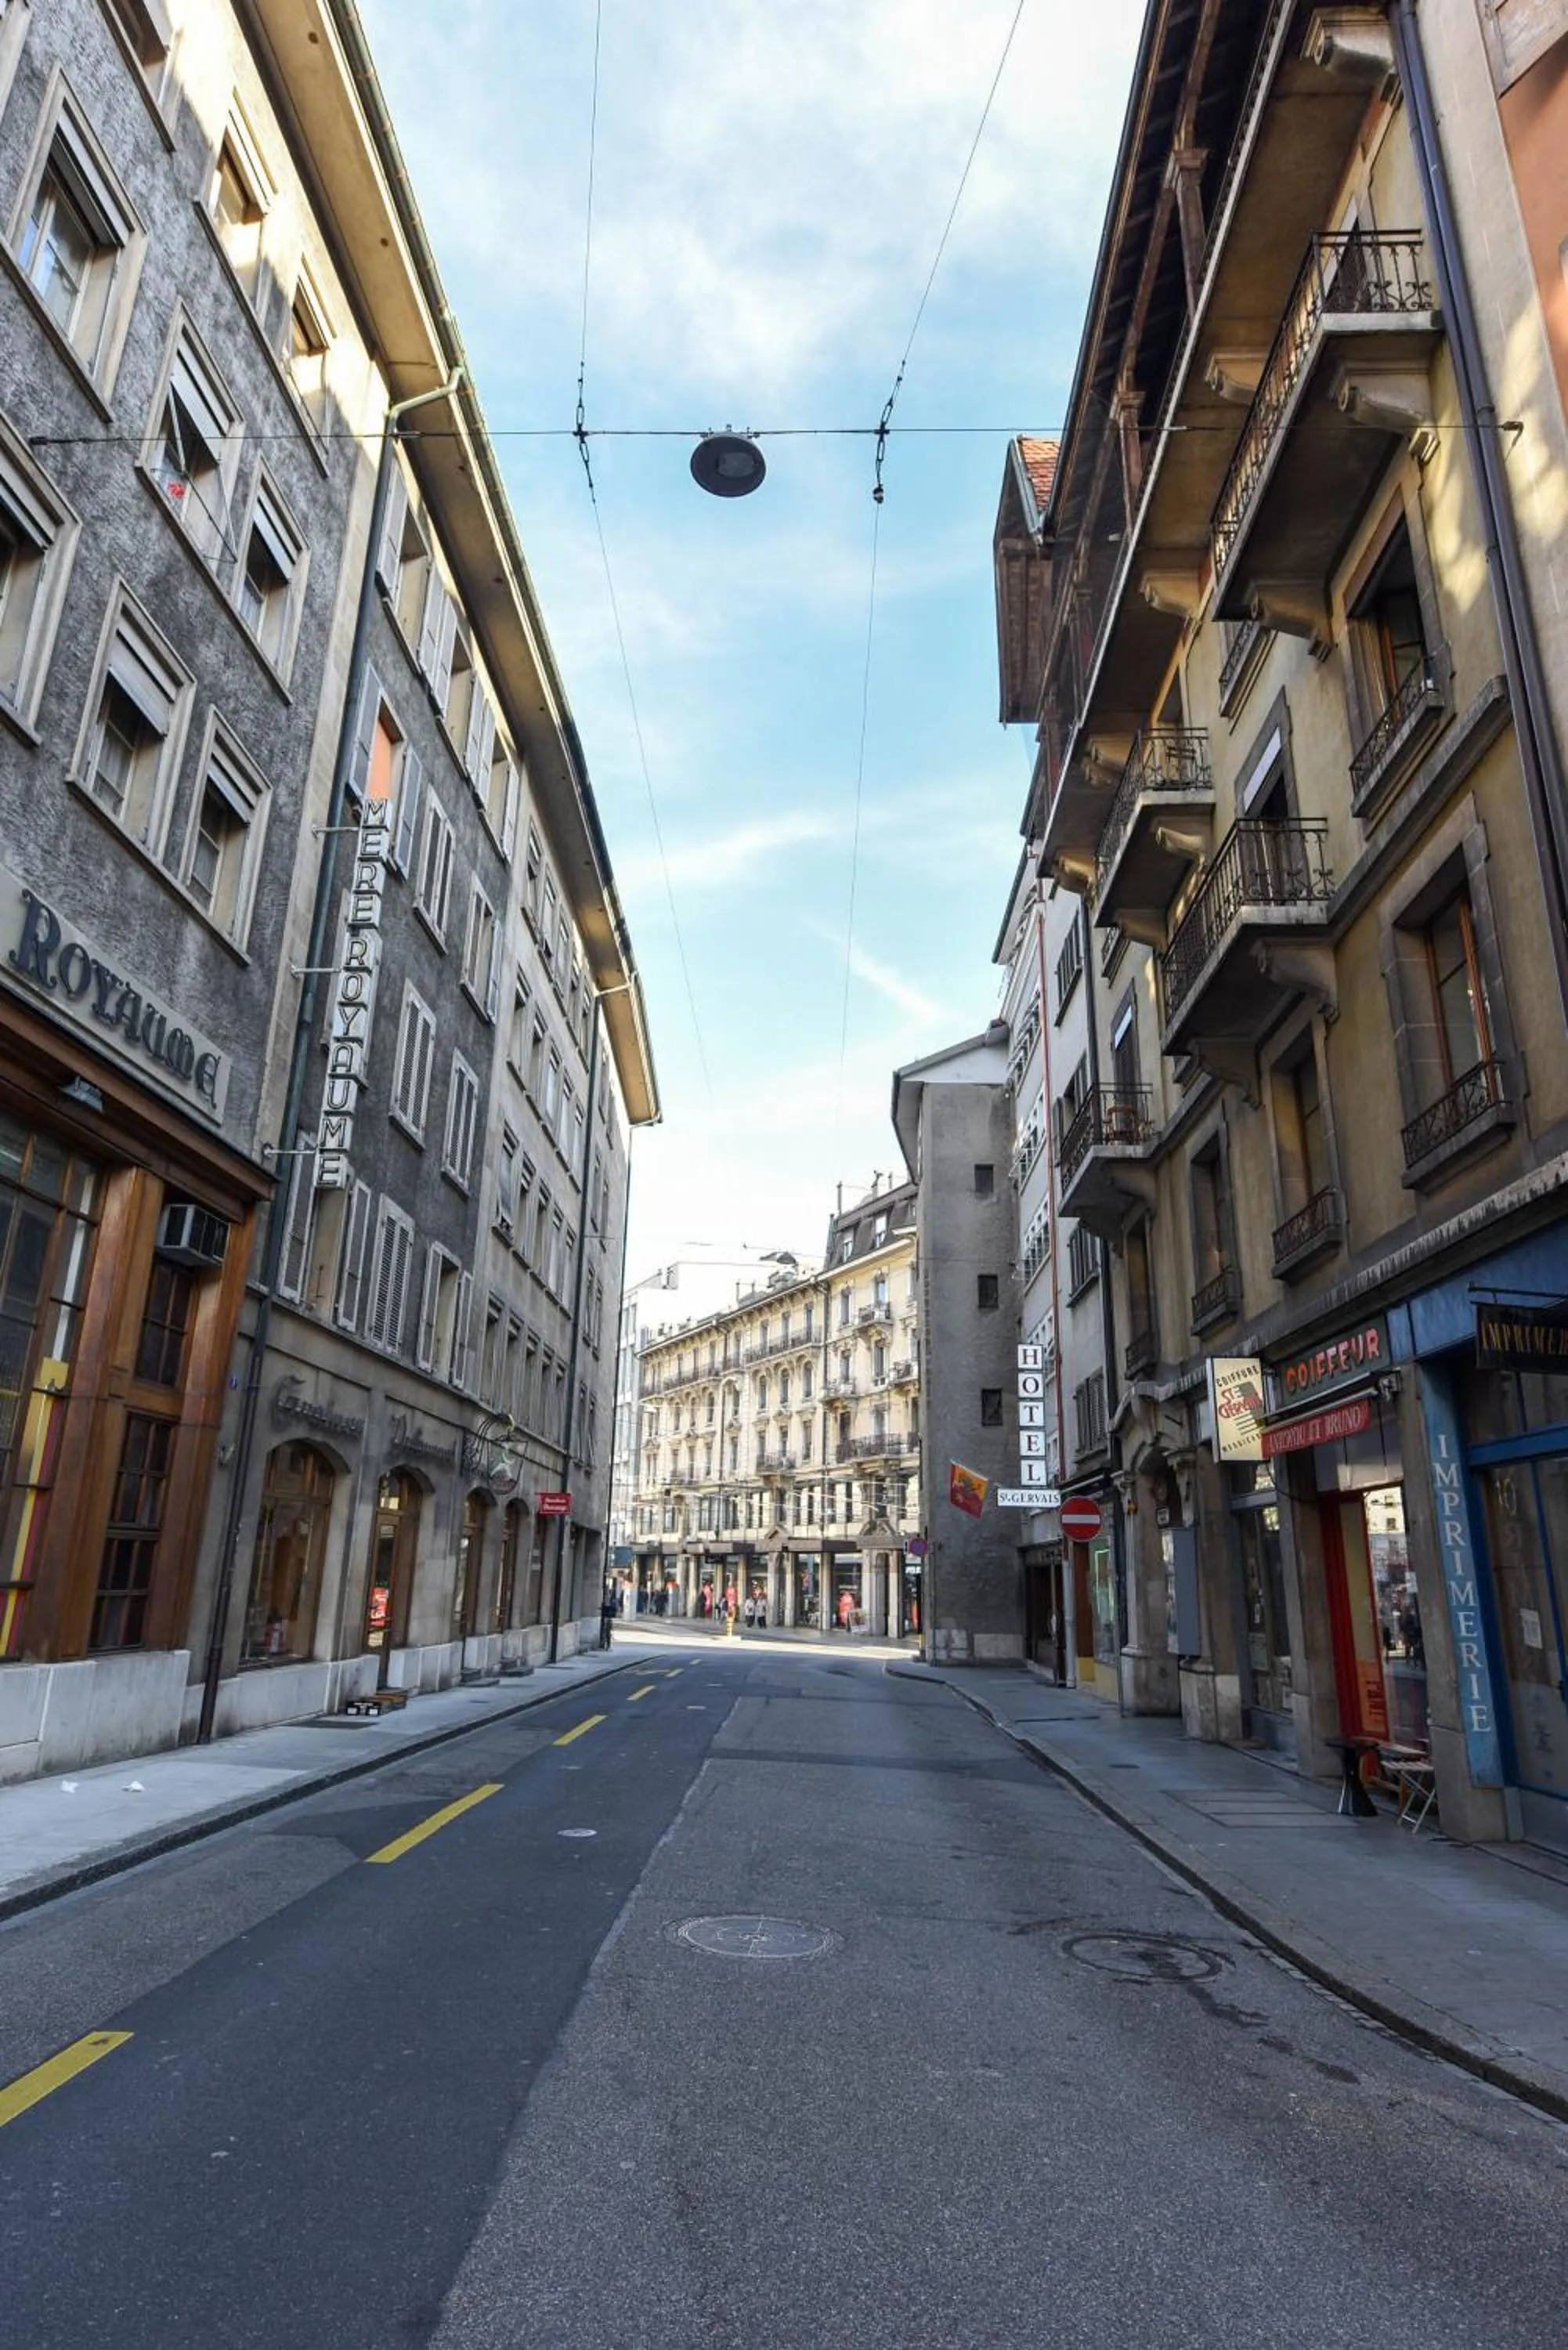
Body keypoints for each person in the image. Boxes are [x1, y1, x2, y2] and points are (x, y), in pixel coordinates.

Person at [598, 1585, 615, 1650]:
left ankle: (607, 1644)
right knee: (606, 1632)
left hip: (607, 1618)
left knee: (607, 1632)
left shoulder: (609, 1599)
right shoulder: (606, 1599)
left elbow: (610, 1609)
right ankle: (605, 1644)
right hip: (606, 1618)